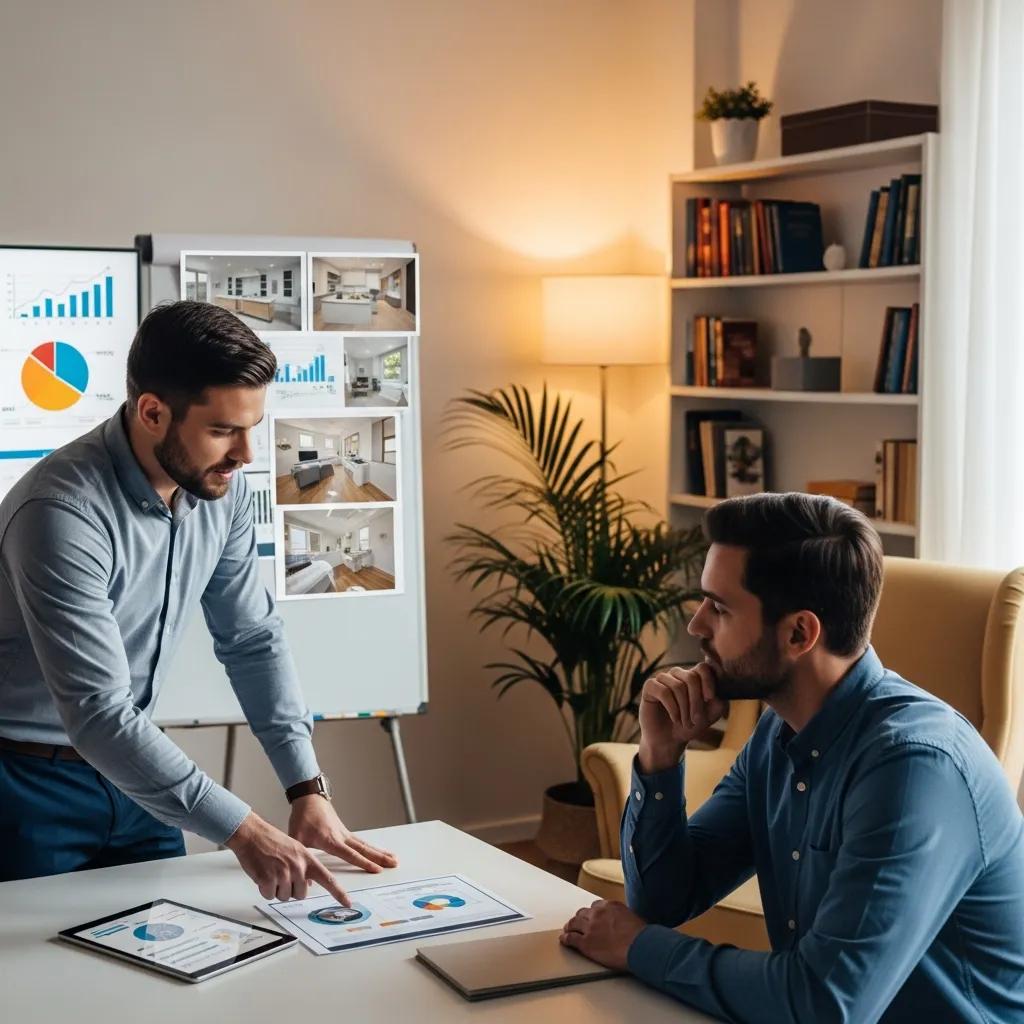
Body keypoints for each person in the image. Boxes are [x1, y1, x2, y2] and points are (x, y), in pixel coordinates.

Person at [560, 492, 1024, 1021]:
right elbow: (664, 902)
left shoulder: (914, 769)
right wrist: (660, 756)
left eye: (720, 607)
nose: (696, 627)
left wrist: (641, 948)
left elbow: (824, 1004)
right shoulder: (779, 734)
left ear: (800, 632)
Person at [0, 300, 395, 902]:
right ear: (153, 412)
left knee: (171, 951)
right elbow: (100, 712)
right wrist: (244, 829)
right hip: (24, 788)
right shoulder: (60, 512)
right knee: (35, 986)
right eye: (221, 430)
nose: (246, 455)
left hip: (134, 772)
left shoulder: (222, 493)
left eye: (251, 428)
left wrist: (305, 788)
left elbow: (251, 639)